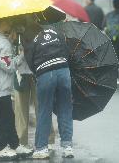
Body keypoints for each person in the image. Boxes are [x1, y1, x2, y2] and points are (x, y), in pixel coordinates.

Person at [0, 18, 33, 161]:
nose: (10, 24)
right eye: (7, 22)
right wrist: (21, 55)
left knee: (9, 117)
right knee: (3, 118)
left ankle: (15, 145)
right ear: (0, 24)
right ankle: (1, 148)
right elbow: (9, 66)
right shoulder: (3, 43)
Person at [23, 19, 74, 159]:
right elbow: (66, 50)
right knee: (65, 108)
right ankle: (67, 147)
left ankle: (41, 148)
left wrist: (37, 73)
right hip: (63, 70)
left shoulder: (31, 37)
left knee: (45, 110)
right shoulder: (55, 31)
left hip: (45, 73)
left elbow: (29, 58)